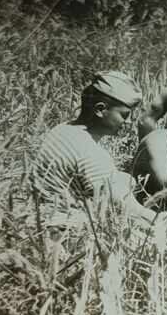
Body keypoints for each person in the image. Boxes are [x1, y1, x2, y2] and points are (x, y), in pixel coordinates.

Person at [29, 71, 156, 227]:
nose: (129, 122)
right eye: (124, 115)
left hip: (40, 212)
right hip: (64, 226)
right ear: (100, 110)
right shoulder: (90, 151)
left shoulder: (64, 129)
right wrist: (165, 221)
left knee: (125, 180)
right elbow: (130, 210)